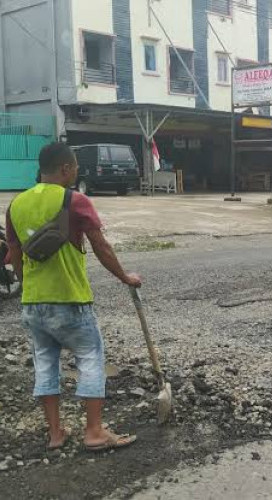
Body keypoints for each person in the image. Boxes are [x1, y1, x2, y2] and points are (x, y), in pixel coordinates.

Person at [5, 142, 142, 452]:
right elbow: (101, 246)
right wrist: (125, 277)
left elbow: (13, 255)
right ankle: (94, 431)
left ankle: (56, 433)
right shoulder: (76, 200)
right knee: (91, 357)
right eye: (76, 168)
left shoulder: (16, 204)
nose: (77, 172)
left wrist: (28, 288)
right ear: (65, 169)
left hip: (33, 303)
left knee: (45, 363)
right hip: (70, 299)